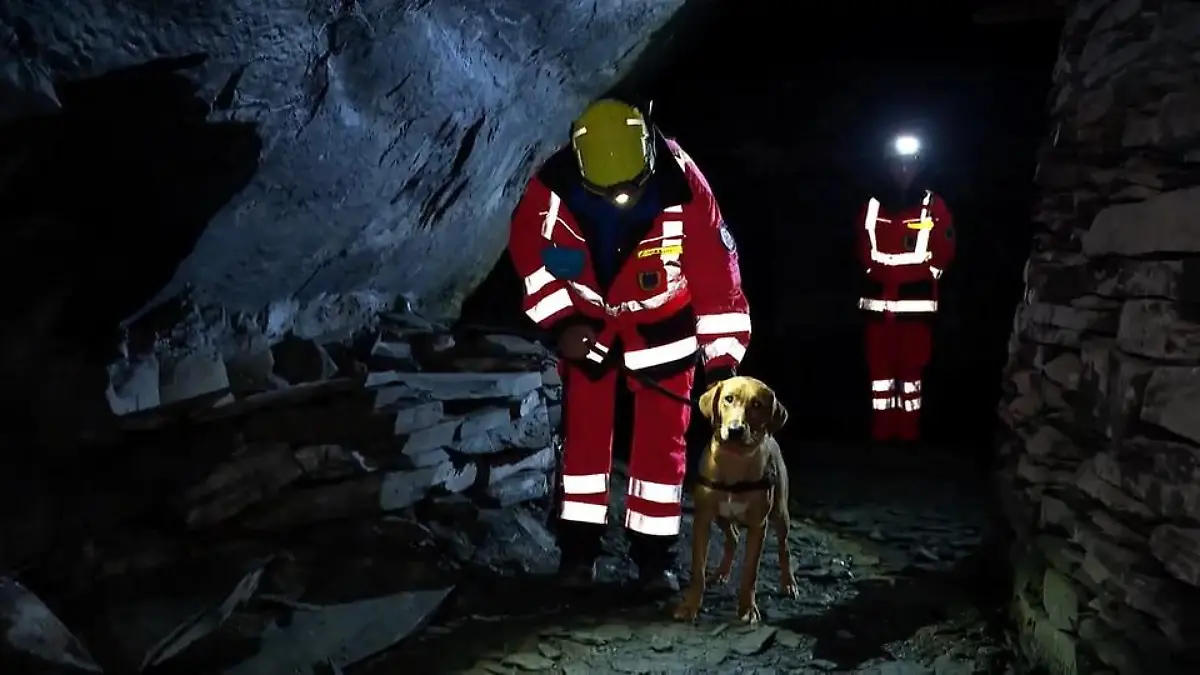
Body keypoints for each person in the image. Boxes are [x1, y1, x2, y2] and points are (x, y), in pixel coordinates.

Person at [508, 98, 751, 592]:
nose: (620, 195)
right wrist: (563, 322)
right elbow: (532, 260)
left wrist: (722, 365)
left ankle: (653, 561)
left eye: (629, 187)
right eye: (606, 189)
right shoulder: (550, 190)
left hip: (663, 332)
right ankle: (577, 555)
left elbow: (717, 277)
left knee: (663, 452)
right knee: (584, 445)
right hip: (589, 332)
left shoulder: (684, 185)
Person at [855, 134, 955, 443]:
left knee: (912, 375)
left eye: (910, 164)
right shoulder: (871, 205)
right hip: (878, 307)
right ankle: (882, 434)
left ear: (920, 167)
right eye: (896, 164)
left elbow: (945, 248)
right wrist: (875, 273)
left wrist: (928, 276)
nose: (903, 170)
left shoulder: (933, 206)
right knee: (880, 376)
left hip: (916, 306)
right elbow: (861, 246)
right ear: (886, 167)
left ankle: (909, 433)